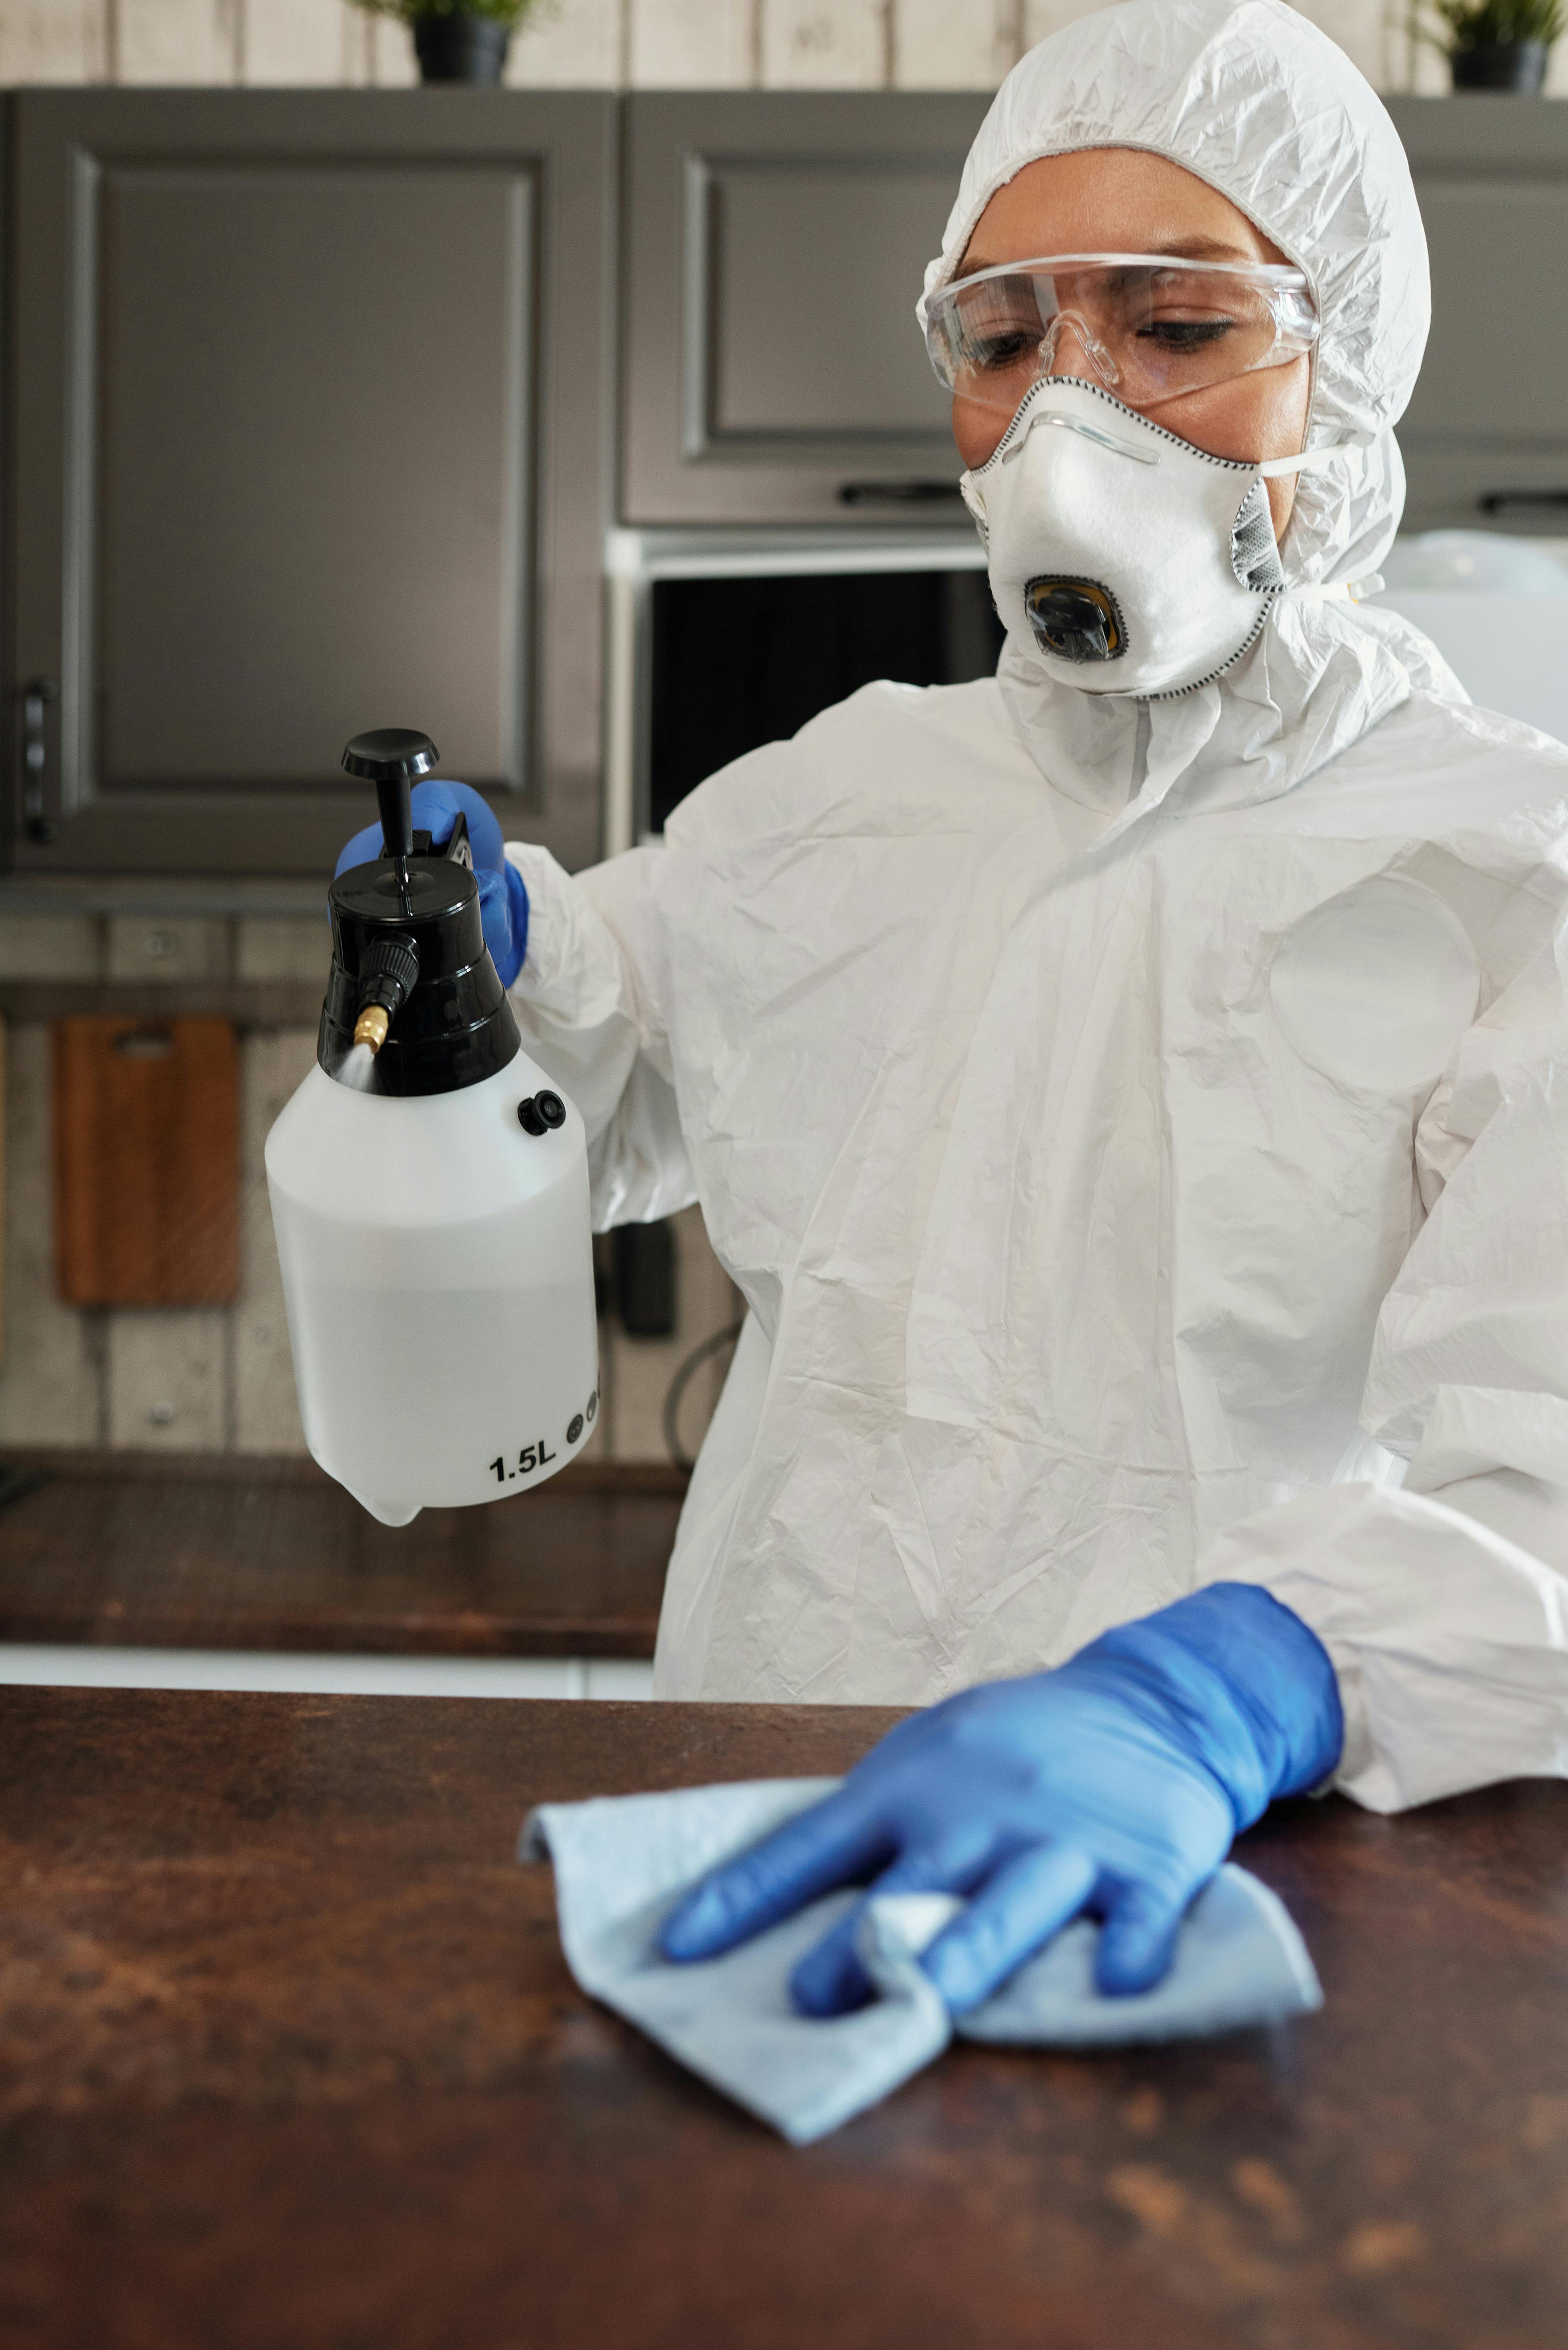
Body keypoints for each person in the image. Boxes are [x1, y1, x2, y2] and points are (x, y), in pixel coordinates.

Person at [339, 0, 1568, 2017]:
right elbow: (605, 1079)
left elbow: (1546, 1472)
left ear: (1341, 364)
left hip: (1225, 1861)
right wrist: (489, 962)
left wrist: (1225, 1694)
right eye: (1005, 340)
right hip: (772, 1808)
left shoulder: (1503, 868)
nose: (1074, 413)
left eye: (1176, 326)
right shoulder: (848, 799)